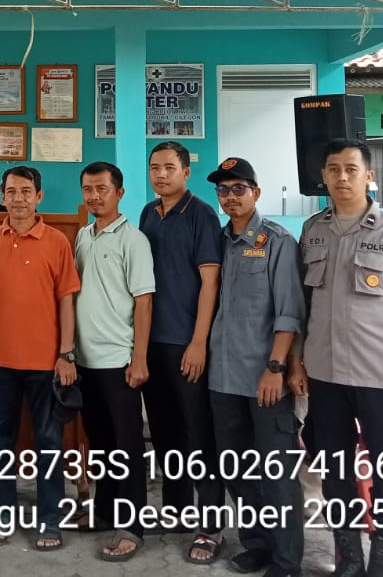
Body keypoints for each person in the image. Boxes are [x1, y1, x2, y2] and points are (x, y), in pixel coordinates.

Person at [289, 139, 383, 577]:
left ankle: (382, 561)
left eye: (351, 169)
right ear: (324, 177)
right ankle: (349, 558)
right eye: (333, 169)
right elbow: (302, 305)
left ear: (369, 176)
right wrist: (296, 359)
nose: (342, 177)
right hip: (325, 375)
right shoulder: (312, 230)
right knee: (335, 472)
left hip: (381, 376)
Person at [0, 165, 80, 550]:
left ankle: (50, 521)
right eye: (12, 191)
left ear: (39, 197)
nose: (18, 199)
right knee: (0, 442)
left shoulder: (57, 242)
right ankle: (2, 513)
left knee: (49, 443)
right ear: (2, 196)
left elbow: (66, 300)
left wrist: (66, 354)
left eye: (26, 191)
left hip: (46, 362)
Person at [205, 157, 305, 577]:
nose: (230, 197)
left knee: (277, 473)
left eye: (238, 189)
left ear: (256, 193)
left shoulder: (277, 241)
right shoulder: (216, 241)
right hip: (223, 376)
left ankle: (286, 560)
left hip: (265, 377)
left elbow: (290, 311)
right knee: (237, 469)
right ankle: (257, 544)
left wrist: (276, 367)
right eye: (223, 190)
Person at [138, 140, 226, 564]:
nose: (161, 174)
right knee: (165, 432)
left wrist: (198, 342)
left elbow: (210, 282)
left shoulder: (202, 215)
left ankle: (210, 524)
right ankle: (175, 509)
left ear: (186, 172)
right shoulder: (147, 213)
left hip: (186, 344)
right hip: (152, 342)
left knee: (197, 435)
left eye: (169, 167)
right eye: (154, 167)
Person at [73, 161, 154, 563]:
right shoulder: (82, 236)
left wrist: (139, 359)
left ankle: (132, 526)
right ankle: (105, 511)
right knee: (101, 444)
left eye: (102, 189)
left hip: (119, 360)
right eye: (88, 189)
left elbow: (144, 301)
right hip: (85, 361)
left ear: (119, 193)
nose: (94, 196)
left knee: (127, 446)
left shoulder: (133, 240)